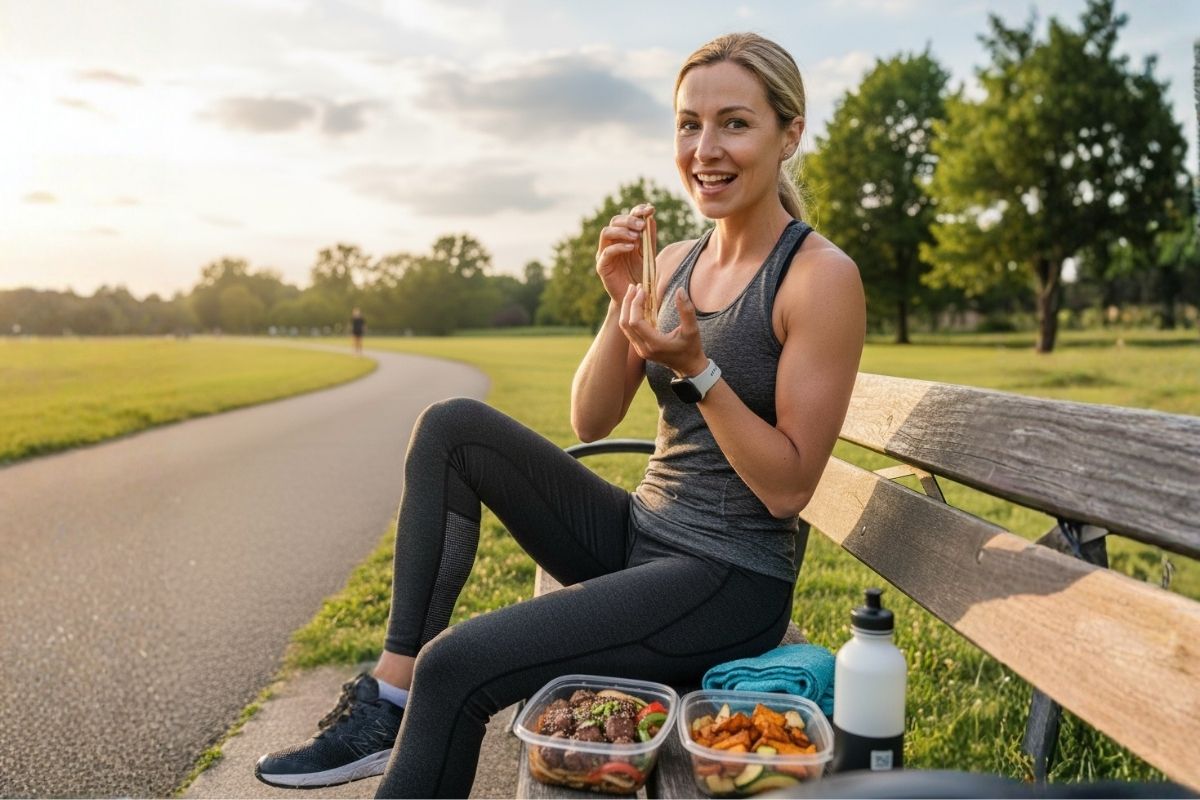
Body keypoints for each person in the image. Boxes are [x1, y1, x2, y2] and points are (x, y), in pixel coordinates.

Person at [255, 32, 864, 798]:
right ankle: (388, 698)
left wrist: (697, 371)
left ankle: (417, 691)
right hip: (643, 538)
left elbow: (786, 488)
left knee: (461, 667)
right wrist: (620, 303)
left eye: (734, 124)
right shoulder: (674, 259)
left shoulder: (818, 277)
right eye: (688, 124)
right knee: (452, 428)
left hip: (729, 584)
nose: (704, 148)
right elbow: (590, 418)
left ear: (790, 134)